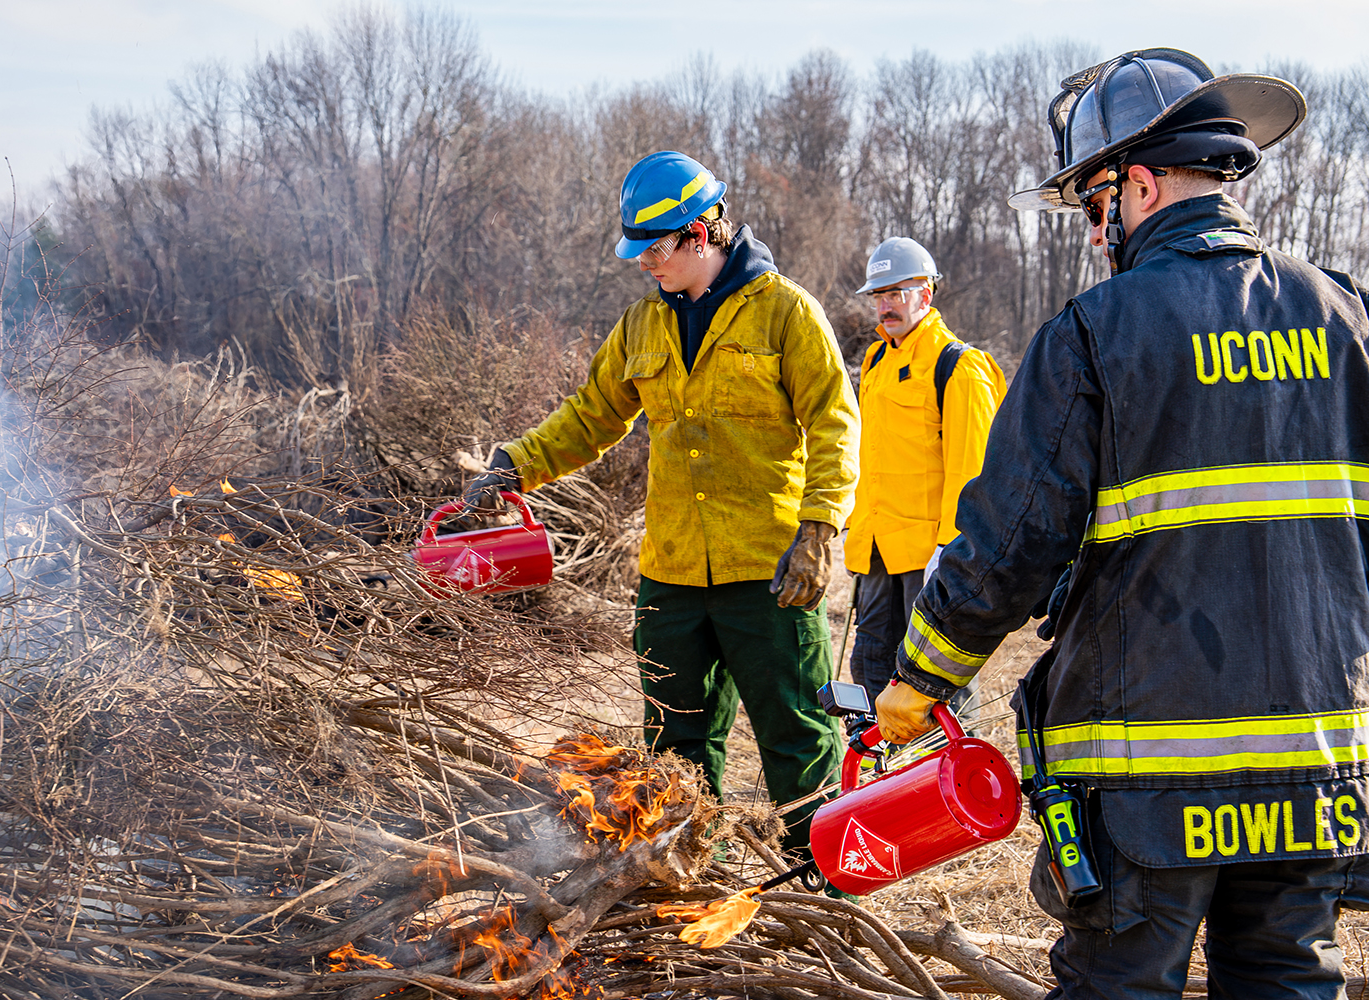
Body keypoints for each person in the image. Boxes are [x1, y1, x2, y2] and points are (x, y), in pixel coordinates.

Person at [874, 48, 1369, 997]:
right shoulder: (1346, 314)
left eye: (1096, 207)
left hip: (1150, 782)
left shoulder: (1096, 332)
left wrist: (919, 678)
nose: (1096, 234)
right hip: (1316, 776)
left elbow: (1006, 542)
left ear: (1138, 183)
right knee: (1287, 981)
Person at [464, 151, 859, 855]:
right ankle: (688, 874)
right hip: (672, 576)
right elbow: (591, 416)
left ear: (699, 234)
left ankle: (824, 879)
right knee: (675, 743)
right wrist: (514, 465)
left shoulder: (785, 314)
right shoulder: (643, 327)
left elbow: (835, 421)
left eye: (654, 249)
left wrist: (820, 529)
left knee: (796, 737)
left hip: (770, 571)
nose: (644, 263)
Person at [842, 237, 1005, 723]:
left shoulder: (959, 366)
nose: (885, 305)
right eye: (879, 294)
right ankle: (878, 783)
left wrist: (950, 552)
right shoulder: (875, 361)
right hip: (877, 551)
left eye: (896, 292)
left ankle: (950, 786)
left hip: (929, 560)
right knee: (872, 668)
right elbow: (868, 455)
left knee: (934, 684)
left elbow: (971, 472)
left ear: (925, 295)